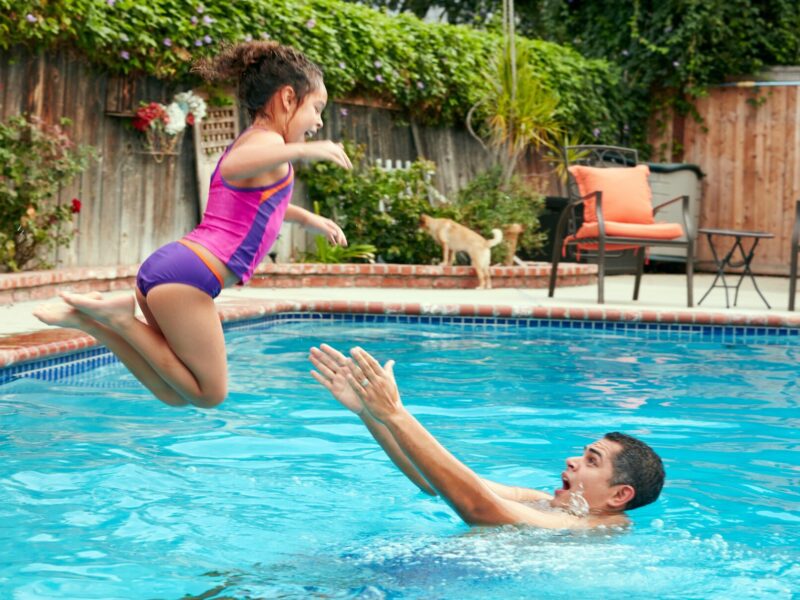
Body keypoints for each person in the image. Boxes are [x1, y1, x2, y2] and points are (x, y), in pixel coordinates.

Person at [33, 41, 352, 408]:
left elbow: (262, 205)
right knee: (210, 394)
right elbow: (234, 169)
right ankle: (119, 319)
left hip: (175, 270)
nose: (319, 121)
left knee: (176, 392)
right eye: (317, 108)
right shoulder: (266, 144)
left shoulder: (260, 148)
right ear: (287, 98)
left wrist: (310, 218)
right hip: (188, 278)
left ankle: (96, 323)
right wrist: (303, 150)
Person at [309, 344, 665, 529]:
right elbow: (434, 482)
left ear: (620, 494)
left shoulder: (593, 531)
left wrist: (396, 414)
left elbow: (478, 507)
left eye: (591, 461)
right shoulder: (542, 501)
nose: (572, 460)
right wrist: (371, 414)